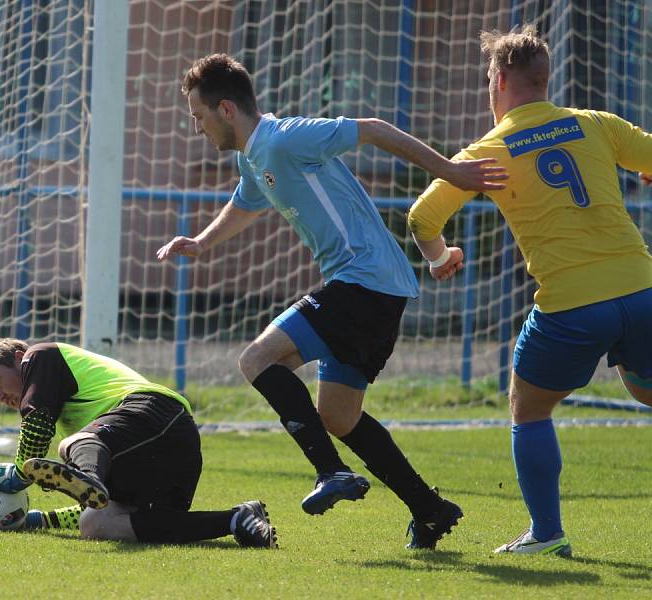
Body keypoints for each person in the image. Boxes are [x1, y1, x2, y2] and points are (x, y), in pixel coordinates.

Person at [157, 53, 508, 549]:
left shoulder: (285, 137)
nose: (196, 127)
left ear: (227, 109)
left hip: (362, 282)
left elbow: (373, 128)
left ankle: (330, 471)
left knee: (256, 358)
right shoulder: (254, 156)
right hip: (376, 287)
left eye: (198, 115)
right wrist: (201, 243)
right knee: (339, 417)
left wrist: (452, 171)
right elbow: (247, 201)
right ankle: (429, 509)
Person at [408, 25, 652, 557]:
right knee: (644, 388)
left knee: (529, 407)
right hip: (641, 289)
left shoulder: (490, 149)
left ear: (496, 81)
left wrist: (440, 257)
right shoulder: (593, 124)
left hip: (571, 305)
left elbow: (421, 217)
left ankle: (546, 534)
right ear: (546, 80)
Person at [0, 338, 277, 548]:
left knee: (73, 446)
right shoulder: (74, 428)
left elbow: (36, 427)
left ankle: (93, 476)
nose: (1, 397)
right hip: (162, 455)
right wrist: (36, 519)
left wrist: (12, 477)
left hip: (156, 413)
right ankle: (238, 519)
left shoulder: (40, 356)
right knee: (96, 523)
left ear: (18, 359)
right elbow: (94, 499)